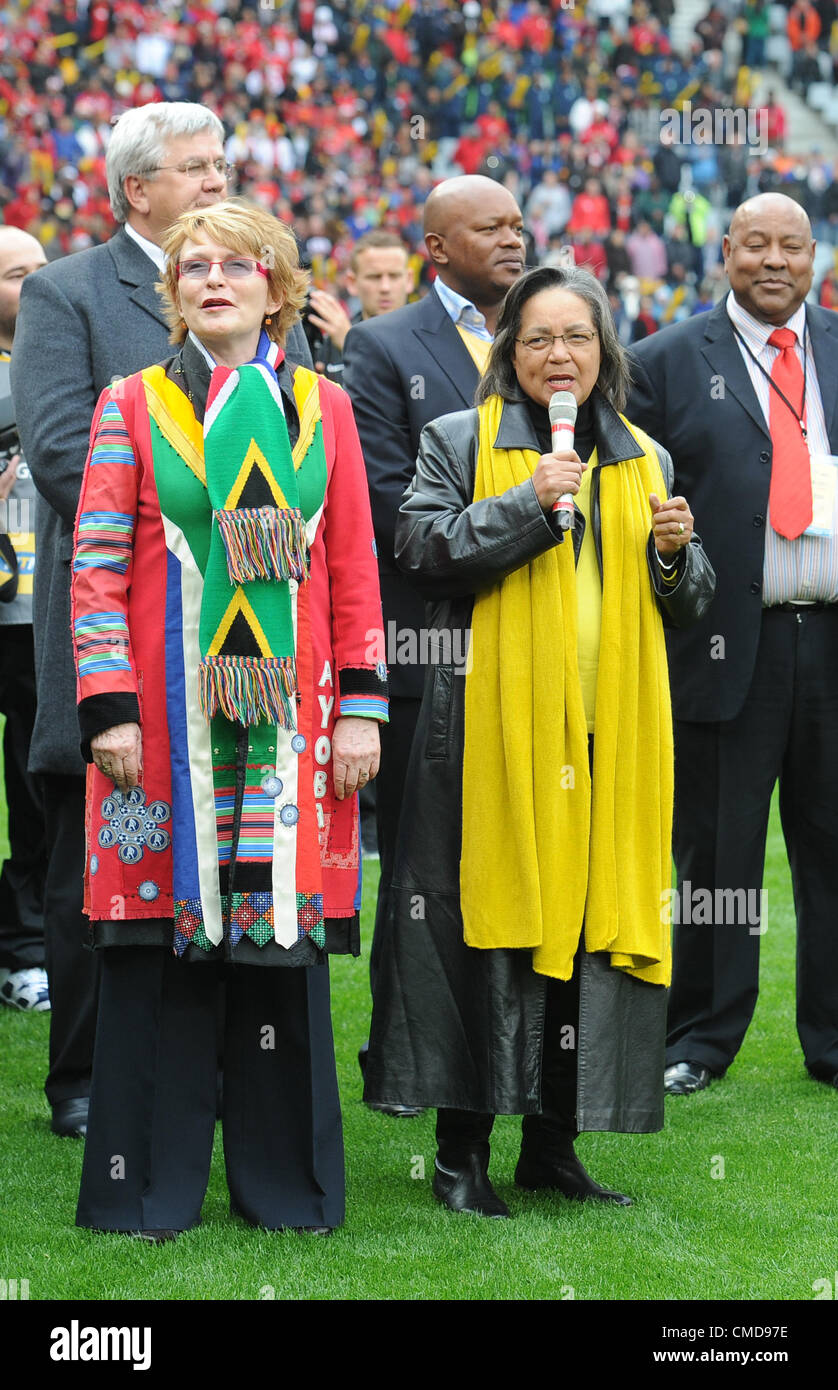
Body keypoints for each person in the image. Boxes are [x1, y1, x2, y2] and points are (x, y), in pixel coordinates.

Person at [364, 265, 715, 1216]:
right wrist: (529, 501)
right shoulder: (457, 440)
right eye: (536, 340)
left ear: (607, 354)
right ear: (507, 354)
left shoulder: (644, 454)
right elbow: (422, 550)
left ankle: (553, 1146)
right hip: (491, 735)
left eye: (578, 338)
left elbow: (688, 607)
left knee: (589, 930)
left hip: (609, 736)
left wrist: (678, 558)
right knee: (492, 935)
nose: (558, 357)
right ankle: (460, 1154)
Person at [70, 198, 388, 1239]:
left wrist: (361, 711)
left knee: (277, 951)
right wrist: (108, 705)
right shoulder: (130, 404)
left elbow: (350, 567)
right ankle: (142, 1193)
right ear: (172, 293)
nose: (213, 279)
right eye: (193, 266)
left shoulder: (323, 411)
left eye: (237, 266)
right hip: (160, 732)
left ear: (278, 289)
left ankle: (286, 1195)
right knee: (155, 951)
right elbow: (98, 564)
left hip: (291, 733)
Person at [12, 100, 313, 1140]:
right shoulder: (67, 291)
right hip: (126, 630)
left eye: (221, 162)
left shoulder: (264, 283)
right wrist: (195, 522)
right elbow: (57, 453)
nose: (215, 180)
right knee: (98, 850)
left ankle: (221, 1069)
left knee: (234, 848)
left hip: (253, 643)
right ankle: (89, 1076)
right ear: (136, 189)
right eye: (194, 167)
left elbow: (299, 454)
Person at [626, 193, 838, 1096]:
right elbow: (637, 510)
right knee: (718, 853)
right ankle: (700, 1039)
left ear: (815, 254)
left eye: (793, 245)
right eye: (757, 245)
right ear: (724, 252)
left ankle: (832, 1044)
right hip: (722, 644)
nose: (776, 261)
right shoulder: (665, 363)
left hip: (829, 635)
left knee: (832, 848)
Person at [342, 174, 526, 1117]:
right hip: (430, 650)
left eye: (518, 222)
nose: (513, 236)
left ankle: (512, 1065)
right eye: (489, 226)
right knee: (423, 872)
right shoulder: (382, 346)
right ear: (438, 249)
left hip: (539, 654)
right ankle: (402, 1064)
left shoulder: (555, 331)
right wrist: (519, 529)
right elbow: (384, 498)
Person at [0, 228, 49, 1014]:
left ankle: (31, 946)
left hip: (43, 609)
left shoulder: (62, 362)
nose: (38, 284)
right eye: (18, 275)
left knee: (38, 780)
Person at [308, 230, 414, 383]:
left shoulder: (430, 339)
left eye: (394, 276)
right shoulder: (331, 342)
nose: (385, 287)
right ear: (352, 282)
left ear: (409, 280)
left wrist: (350, 347)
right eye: (374, 277)